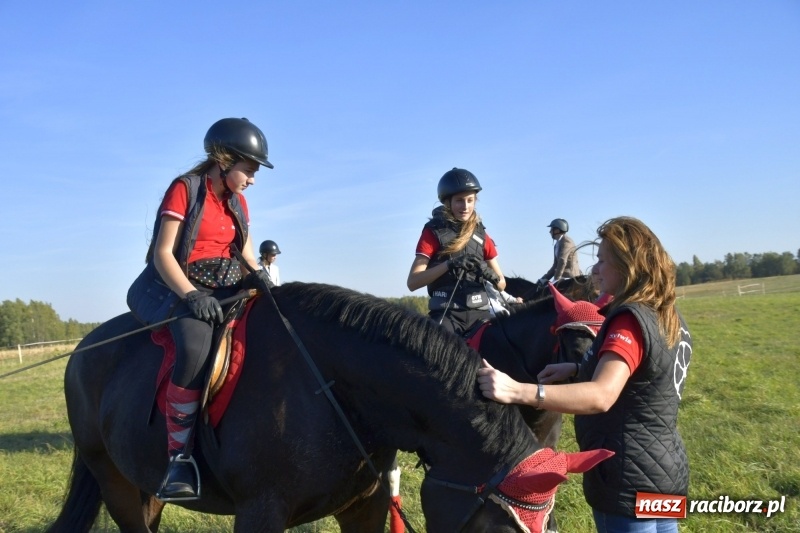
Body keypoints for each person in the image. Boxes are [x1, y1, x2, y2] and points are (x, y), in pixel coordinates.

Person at [478, 216, 692, 533]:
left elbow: (601, 395)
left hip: (626, 477)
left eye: (603, 261)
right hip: (666, 468)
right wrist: (580, 368)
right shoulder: (668, 316)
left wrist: (517, 390)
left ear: (626, 266)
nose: (595, 270)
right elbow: (646, 375)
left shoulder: (629, 320)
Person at [127, 117, 274, 500]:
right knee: (194, 348)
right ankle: (179, 457)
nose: (252, 180)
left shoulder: (238, 201)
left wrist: (262, 280)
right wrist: (192, 296)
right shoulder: (185, 189)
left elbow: (245, 253)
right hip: (184, 287)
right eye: (249, 170)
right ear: (224, 160)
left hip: (229, 286)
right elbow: (163, 254)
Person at [407, 167, 510, 336]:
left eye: (470, 200)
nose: (466, 206)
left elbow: (502, 284)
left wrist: (489, 274)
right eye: (459, 201)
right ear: (448, 202)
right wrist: (449, 265)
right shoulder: (432, 233)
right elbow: (413, 282)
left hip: (481, 315)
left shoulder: (482, 235)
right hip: (447, 315)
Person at [538, 218, 581, 286]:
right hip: (562, 277)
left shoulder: (567, 242)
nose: (550, 231)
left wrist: (556, 278)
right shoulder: (557, 244)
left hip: (570, 278)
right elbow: (555, 265)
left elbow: (562, 260)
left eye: (551, 229)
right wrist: (544, 278)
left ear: (557, 230)